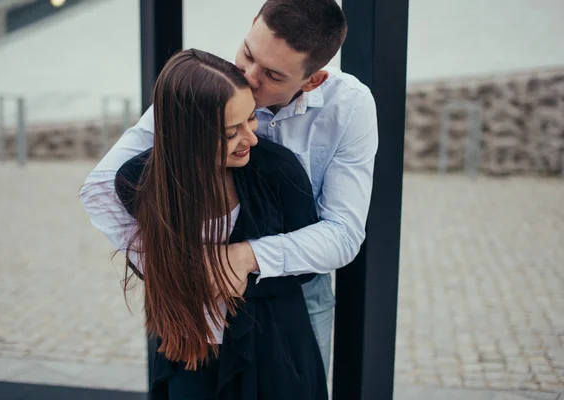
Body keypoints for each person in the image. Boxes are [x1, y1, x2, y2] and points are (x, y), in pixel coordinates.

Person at [79, 0, 378, 376]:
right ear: (252, 24)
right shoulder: (208, 88)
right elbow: (101, 188)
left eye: (271, 74)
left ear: (313, 79)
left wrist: (243, 256)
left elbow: (344, 234)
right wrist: (170, 267)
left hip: (297, 295)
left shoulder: (350, 107)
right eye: (247, 54)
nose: (249, 78)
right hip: (195, 297)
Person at [113, 49, 327, 399]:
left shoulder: (279, 171)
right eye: (231, 132)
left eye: (250, 119)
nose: (252, 138)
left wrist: (243, 268)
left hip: (271, 354)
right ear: (186, 135)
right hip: (188, 354)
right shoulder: (136, 181)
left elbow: (306, 268)